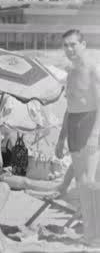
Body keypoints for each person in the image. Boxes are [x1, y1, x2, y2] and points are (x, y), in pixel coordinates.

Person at [56, 29, 100, 186]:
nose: (69, 49)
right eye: (65, 46)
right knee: (81, 179)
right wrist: (61, 138)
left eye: (73, 45)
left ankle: (88, 209)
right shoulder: (71, 72)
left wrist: (95, 134)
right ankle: (82, 207)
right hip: (73, 126)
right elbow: (70, 108)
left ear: (83, 45)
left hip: (89, 124)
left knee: (91, 180)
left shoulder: (93, 69)